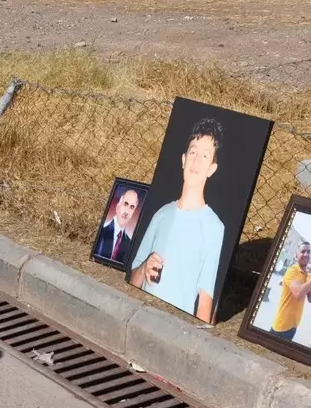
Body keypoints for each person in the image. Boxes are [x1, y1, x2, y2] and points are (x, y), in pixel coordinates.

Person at [128, 118, 226, 323]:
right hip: (140, 317)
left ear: (212, 169)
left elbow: (205, 301)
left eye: (205, 156)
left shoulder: (214, 228)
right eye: (193, 152)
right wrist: (145, 266)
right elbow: (133, 280)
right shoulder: (161, 214)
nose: (196, 161)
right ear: (183, 159)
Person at [269, 242, 311, 341]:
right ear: (296, 255)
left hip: (293, 326)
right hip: (282, 326)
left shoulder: (306, 274)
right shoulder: (292, 271)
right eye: (303, 251)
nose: (306, 254)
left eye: (308, 252)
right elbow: (299, 294)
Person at [95, 187, 139, 265]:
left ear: (133, 213)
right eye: (125, 204)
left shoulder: (129, 244)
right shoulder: (101, 232)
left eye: (132, 207)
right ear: (118, 206)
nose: (127, 211)